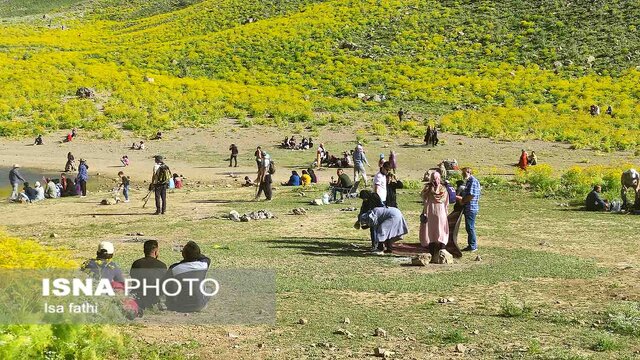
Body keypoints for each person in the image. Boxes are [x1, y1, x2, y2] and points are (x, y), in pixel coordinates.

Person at [164, 241, 211, 313]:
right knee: (209, 289)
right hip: (200, 305)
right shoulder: (204, 264)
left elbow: (165, 285)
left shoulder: (174, 269)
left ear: (183, 254)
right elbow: (205, 258)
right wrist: (195, 253)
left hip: (181, 306)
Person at [420, 172, 450, 259]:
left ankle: (435, 252)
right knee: (439, 230)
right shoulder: (443, 189)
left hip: (431, 212)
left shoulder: (429, 189)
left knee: (432, 230)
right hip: (439, 212)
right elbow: (446, 203)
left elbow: (423, 197)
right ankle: (440, 251)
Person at [130, 240, 167, 310]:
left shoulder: (136, 264)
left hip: (139, 297)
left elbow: (133, 279)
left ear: (144, 251)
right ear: (156, 251)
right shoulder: (162, 265)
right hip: (155, 298)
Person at [458, 167, 481, 252]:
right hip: (469, 207)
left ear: (469, 172)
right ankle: (471, 245)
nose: (463, 175)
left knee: (470, 227)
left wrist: (462, 201)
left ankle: (473, 246)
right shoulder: (469, 181)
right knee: (469, 227)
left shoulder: (473, 181)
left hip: (471, 208)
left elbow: (471, 195)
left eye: (464, 173)